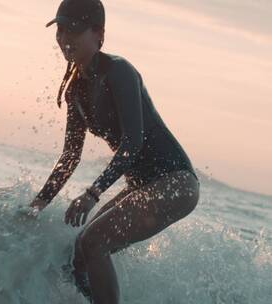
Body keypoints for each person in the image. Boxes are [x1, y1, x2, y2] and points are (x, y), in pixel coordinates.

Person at [28, 0, 201, 303]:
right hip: (144, 188)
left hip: (175, 183)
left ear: (99, 35)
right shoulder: (75, 91)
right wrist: (37, 205)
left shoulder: (119, 71)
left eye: (75, 29)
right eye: (61, 29)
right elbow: (70, 156)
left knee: (94, 242)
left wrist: (93, 193)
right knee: (77, 254)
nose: (65, 38)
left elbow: (133, 141)